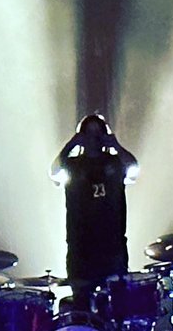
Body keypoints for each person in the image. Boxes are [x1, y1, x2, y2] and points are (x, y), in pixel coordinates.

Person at [50, 113, 139, 309]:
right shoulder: (73, 164)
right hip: (81, 247)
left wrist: (115, 146)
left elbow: (133, 167)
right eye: (88, 134)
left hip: (112, 246)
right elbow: (54, 172)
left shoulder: (114, 162)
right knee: (82, 306)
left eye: (97, 133)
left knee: (115, 307)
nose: (93, 139)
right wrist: (71, 145)